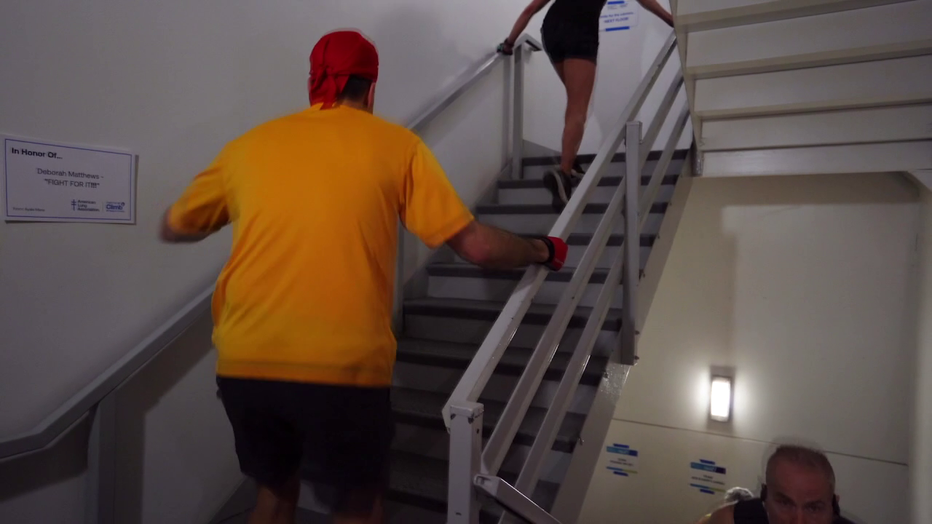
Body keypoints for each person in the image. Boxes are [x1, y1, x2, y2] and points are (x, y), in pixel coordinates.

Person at [160, 30, 568, 524]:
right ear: (371, 87)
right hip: (342, 368)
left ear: (313, 84)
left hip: (245, 363)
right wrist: (541, 248)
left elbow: (177, 224)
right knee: (359, 506)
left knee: (274, 493)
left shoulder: (247, 146)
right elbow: (478, 247)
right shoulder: (397, 146)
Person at [497, 0, 673, 211]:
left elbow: (530, 9)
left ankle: (570, 160)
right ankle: (563, 173)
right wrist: (670, 19)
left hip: (552, 28)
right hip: (581, 29)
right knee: (578, 108)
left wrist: (509, 43)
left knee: (575, 100)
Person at [699, 445, 856, 524]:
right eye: (785, 504)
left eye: (813, 508)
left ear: (833, 506)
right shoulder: (732, 519)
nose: (798, 521)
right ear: (765, 498)